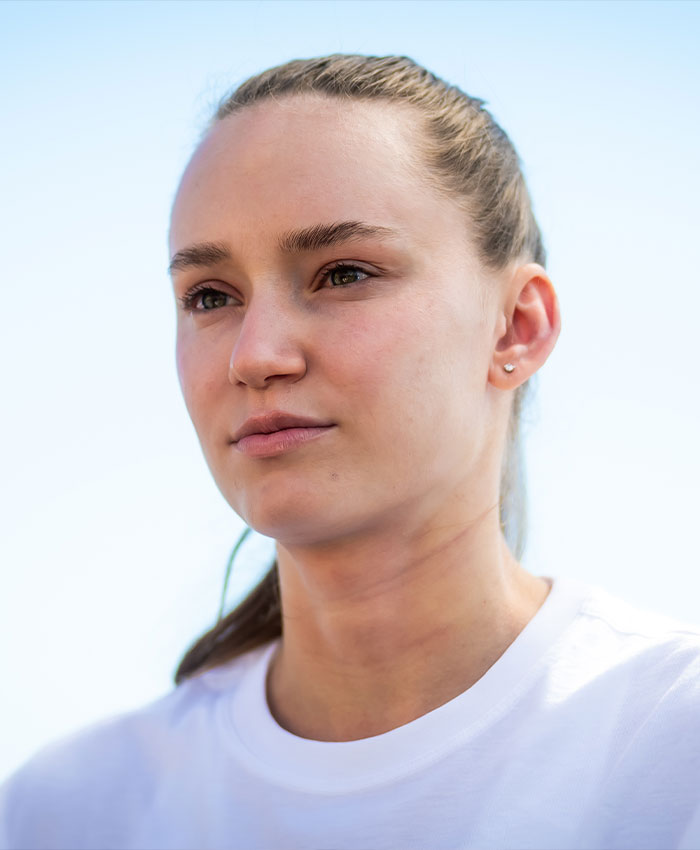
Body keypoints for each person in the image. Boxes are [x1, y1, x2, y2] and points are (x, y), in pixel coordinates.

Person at [1, 53, 699, 850]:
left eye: (343, 273)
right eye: (210, 296)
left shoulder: (670, 746)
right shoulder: (68, 812)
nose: (256, 355)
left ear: (516, 327)